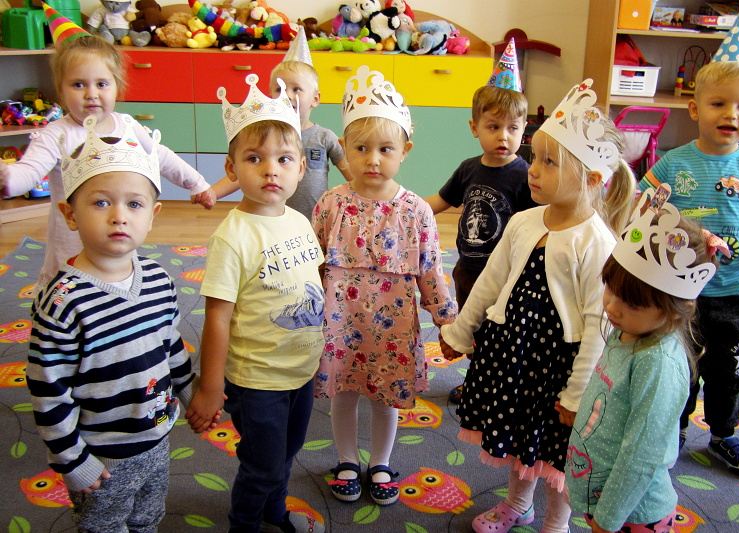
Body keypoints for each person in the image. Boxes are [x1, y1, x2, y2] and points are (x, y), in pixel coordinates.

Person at [439, 79, 636, 533]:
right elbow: (490, 282)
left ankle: (555, 522)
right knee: (517, 436)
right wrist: (460, 332)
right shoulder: (524, 222)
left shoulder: (595, 241)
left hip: (559, 365)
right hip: (515, 354)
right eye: (535, 157)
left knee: (556, 450)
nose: (533, 170)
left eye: (549, 162)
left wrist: (578, 391)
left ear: (591, 179)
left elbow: (598, 322)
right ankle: (517, 504)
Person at [641, 31, 739, 475]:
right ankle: (673, 431)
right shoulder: (673, 164)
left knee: (728, 371)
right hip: (680, 292)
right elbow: (639, 212)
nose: (732, 113)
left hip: (732, 293)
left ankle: (723, 434)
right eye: (719, 103)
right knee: (679, 369)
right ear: (695, 109)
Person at [27, 114, 194, 533]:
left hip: (156, 434)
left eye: (134, 204)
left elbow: (171, 344)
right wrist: (73, 461)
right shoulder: (63, 302)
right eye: (101, 203)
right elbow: (48, 391)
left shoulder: (158, 279)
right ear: (70, 214)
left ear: (153, 214)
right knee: (104, 526)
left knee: (147, 518)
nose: (119, 216)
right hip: (100, 454)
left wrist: (190, 390)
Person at [185, 74, 325, 533]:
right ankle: (244, 524)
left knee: (286, 453)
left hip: (300, 371)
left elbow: (313, 283)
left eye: (283, 159)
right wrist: (210, 385)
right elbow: (217, 317)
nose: (271, 170)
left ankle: (274, 512)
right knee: (261, 465)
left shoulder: (300, 221)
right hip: (257, 378)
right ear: (231, 168)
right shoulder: (233, 236)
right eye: (254, 158)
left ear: (300, 168)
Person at [313, 65, 457, 507]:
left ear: (405, 151)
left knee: (385, 397)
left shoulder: (416, 211)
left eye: (385, 149)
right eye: (361, 148)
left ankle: (380, 461)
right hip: (340, 324)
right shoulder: (331, 203)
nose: (373, 159)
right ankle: (345, 459)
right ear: (345, 149)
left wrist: (447, 319)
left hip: (391, 327)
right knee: (343, 393)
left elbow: (431, 268)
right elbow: (311, 261)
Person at [0, 7, 215, 288]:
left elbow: (160, 155)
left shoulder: (127, 125)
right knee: (70, 296)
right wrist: (7, 178)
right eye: (78, 84)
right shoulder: (56, 135)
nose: (91, 94)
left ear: (117, 86)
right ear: (61, 90)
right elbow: (29, 171)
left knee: (117, 289)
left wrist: (197, 183)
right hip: (72, 246)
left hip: (119, 230)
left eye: (101, 84)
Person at [566, 185, 720, 533]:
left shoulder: (658, 364)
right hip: (604, 499)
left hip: (633, 515)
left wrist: (607, 518)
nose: (611, 306)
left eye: (632, 303)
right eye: (610, 288)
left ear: (675, 310)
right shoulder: (628, 330)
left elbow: (642, 453)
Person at [425, 40, 536, 404]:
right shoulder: (468, 169)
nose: (503, 136)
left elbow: (537, 223)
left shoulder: (525, 175)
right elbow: (439, 201)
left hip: (506, 274)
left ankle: (497, 386)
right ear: (474, 127)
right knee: (471, 327)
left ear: (524, 129)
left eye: (513, 128)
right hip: (468, 269)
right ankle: (476, 381)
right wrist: (406, 208)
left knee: (500, 332)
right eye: (493, 126)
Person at [210, 28, 351, 219]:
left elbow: (349, 172)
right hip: (272, 217)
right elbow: (243, 171)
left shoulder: (324, 137)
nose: (287, 95)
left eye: (296, 89)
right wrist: (212, 192)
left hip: (315, 221)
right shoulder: (266, 137)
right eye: (279, 89)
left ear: (315, 98)